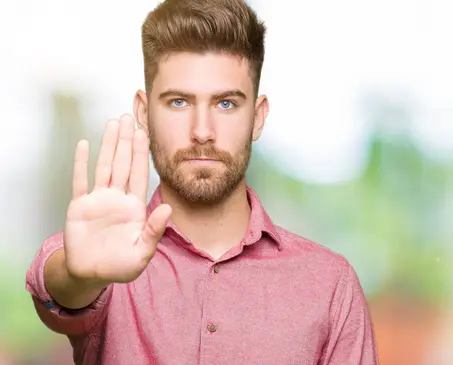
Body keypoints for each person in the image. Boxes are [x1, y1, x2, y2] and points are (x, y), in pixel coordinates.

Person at [25, 0, 379, 364]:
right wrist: (78, 276)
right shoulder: (104, 254)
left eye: (226, 104)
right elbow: (62, 288)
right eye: (179, 102)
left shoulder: (330, 285)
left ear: (257, 118)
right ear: (144, 114)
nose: (202, 132)